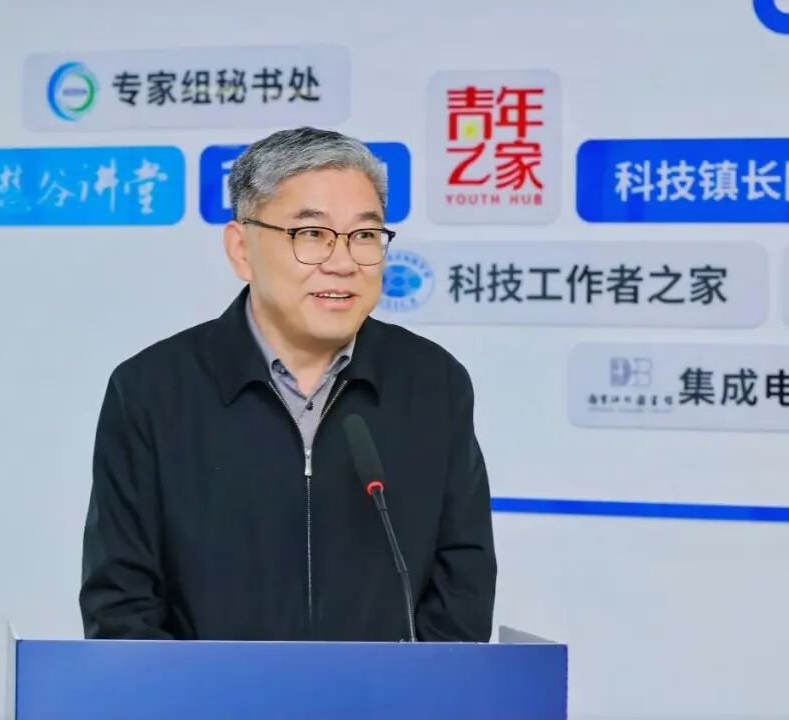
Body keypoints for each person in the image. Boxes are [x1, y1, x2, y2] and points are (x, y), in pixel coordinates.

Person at [80, 127, 496, 642]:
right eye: (312, 234)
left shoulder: (433, 383)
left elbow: (462, 586)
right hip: (203, 691)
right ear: (242, 249)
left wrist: (414, 687)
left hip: (391, 692)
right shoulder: (153, 390)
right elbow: (121, 604)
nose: (342, 262)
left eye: (365, 235)